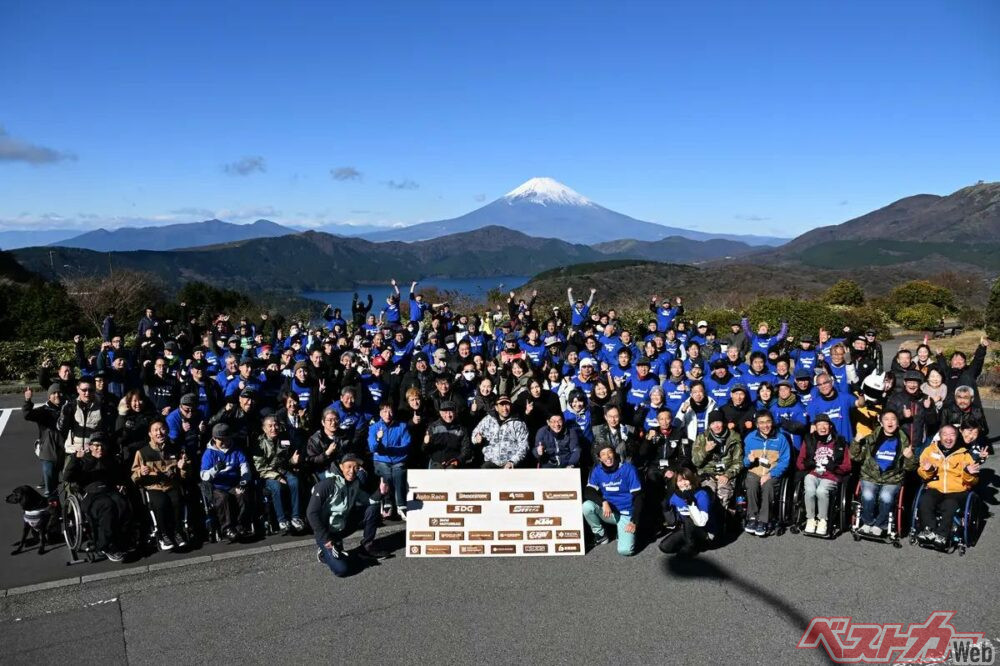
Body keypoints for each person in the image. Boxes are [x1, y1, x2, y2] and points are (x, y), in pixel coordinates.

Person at [308, 454, 389, 577]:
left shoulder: (354, 483)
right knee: (342, 570)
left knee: (372, 508)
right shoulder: (327, 484)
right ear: (341, 467)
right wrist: (325, 539)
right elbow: (311, 513)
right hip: (326, 533)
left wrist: (380, 492)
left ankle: (366, 548)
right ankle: (324, 553)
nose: (352, 471)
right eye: (349, 467)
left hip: (343, 525)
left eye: (356, 467)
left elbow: (368, 501)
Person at [63, 435, 131, 562]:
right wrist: (75, 459)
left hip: (109, 490)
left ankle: (121, 541)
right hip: (90, 494)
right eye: (96, 446)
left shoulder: (109, 460)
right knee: (107, 506)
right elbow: (67, 477)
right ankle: (105, 545)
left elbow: (118, 474)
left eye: (102, 446)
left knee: (121, 504)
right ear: (90, 447)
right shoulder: (82, 460)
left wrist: (120, 483)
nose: (100, 449)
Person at [849, 410, 916, 536]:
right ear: (881, 421)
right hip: (870, 476)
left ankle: (880, 525)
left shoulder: (903, 440)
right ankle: (867, 522)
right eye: (887, 419)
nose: (890, 422)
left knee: (886, 497)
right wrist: (856, 442)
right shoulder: (871, 438)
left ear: (897, 423)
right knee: (868, 495)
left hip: (892, 478)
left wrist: (910, 457)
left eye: (893, 419)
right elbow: (855, 457)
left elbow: (910, 468)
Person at [915, 424, 980, 548]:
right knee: (926, 500)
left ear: (957, 437)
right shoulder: (930, 450)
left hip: (957, 490)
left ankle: (942, 535)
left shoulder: (964, 454)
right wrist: (928, 470)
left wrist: (968, 473)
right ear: (939, 436)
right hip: (936, 488)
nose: (948, 438)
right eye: (945, 434)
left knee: (949, 504)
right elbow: (923, 474)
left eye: (952, 435)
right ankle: (929, 530)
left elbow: (973, 481)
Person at [132, 420, 191, 550]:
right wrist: (140, 472)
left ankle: (177, 532)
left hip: (171, 484)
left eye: (162, 429)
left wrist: (184, 467)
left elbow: (183, 475)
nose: (159, 433)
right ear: (150, 434)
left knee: (177, 501)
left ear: (167, 430)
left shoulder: (175, 448)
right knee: (160, 503)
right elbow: (134, 475)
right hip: (154, 487)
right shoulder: (142, 452)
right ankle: (163, 535)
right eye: (155, 430)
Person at [795, 414, 851, 535]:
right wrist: (810, 463)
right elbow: (799, 463)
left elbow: (847, 466)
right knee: (809, 490)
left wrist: (834, 467)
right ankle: (810, 519)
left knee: (821, 491)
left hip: (831, 475)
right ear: (815, 427)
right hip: (813, 473)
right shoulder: (809, 440)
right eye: (819, 424)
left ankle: (822, 520)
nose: (822, 427)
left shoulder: (840, 441)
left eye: (825, 424)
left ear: (830, 426)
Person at [582, 444, 643, 556]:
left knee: (625, 551)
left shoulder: (628, 469)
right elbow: (588, 491)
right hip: (608, 512)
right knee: (587, 506)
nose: (607, 457)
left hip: (625, 513)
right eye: (603, 454)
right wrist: (603, 502)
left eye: (609, 452)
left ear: (614, 453)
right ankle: (601, 535)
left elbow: (638, 497)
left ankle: (623, 532)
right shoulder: (597, 470)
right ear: (599, 458)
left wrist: (634, 521)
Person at [251, 415, 304, 534]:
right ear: (264, 429)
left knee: (295, 482)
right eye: (270, 426)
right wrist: (277, 477)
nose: (273, 428)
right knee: (276, 487)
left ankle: (296, 517)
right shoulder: (259, 444)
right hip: (267, 474)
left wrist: (293, 461)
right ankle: (282, 520)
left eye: (275, 425)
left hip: (283, 470)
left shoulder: (284, 439)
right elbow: (260, 468)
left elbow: (286, 461)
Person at [742, 411, 792, 537]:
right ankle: (752, 517)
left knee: (768, 486)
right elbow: (744, 461)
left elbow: (785, 461)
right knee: (751, 484)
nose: (765, 425)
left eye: (768, 422)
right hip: (755, 471)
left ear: (772, 422)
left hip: (772, 473)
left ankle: (764, 520)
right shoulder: (750, 438)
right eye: (762, 422)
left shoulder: (781, 439)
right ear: (757, 425)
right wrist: (749, 460)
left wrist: (770, 474)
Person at [200, 423, 252, 541]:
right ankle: (227, 528)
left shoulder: (236, 450)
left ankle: (240, 525)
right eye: (220, 440)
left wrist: (243, 481)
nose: (224, 442)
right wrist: (215, 469)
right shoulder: (209, 453)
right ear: (214, 438)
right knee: (223, 498)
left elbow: (245, 467)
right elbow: (203, 476)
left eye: (226, 439)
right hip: (217, 486)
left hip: (234, 483)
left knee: (242, 495)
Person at [658, 467, 716, 557]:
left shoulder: (701, 494)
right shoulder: (675, 496)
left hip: (705, 532)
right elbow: (671, 520)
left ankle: (691, 547)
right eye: (680, 481)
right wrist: (666, 508)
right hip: (686, 529)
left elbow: (701, 522)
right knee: (664, 547)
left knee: (688, 518)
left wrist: (691, 502)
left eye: (686, 480)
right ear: (676, 483)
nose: (683, 483)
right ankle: (691, 544)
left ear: (691, 480)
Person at [691, 410, 743, 511]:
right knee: (708, 493)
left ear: (723, 423)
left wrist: (727, 475)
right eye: (713, 423)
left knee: (723, 494)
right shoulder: (702, 438)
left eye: (718, 422)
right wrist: (705, 450)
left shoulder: (734, 438)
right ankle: (708, 521)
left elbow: (738, 462)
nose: (716, 426)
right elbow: (695, 462)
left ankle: (723, 520)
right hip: (708, 473)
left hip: (726, 473)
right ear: (709, 425)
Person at [368, 401, 411, 519]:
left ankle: (401, 505)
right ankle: (387, 501)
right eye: (385, 412)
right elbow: (372, 448)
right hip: (381, 460)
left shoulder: (402, 426)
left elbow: (406, 444)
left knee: (399, 473)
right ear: (380, 414)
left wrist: (388, 449)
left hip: (398, 459)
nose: (388, 414)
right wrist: (378, 439)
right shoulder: (374, 428)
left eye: (390, 411)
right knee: (386, 474)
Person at [22, 384, 64, 500]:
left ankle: (69, 510)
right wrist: (28, 400)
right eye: (53, 393)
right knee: (51, 489)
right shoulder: (44, 411)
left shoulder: (67, 408)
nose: (57, 395)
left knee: (70, 484)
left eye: (59, 392)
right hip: (48, 454)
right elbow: (27, 415)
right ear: (49, 396)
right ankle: (54, 513)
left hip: (65, 452)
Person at [471, 395, 529, 468]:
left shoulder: (518, 423)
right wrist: (476, 438)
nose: (505, 408)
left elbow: (524, 446)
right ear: (496, 407)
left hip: (510, 463)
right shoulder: (488, 420)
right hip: (491, 462)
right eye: (501, 405)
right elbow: (474, 435)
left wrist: (513, 462)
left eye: (507, 404)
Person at [423, 401, 472, 468]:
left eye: (451, 412)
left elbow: (466, 450)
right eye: (445, 412)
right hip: (436, 463)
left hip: (454, 464)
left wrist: (458, 460)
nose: (448, 415)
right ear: (440, 413)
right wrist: (426, 443)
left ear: (455, 413)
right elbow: (425, 450)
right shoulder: (433, 427)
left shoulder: (461, 429)